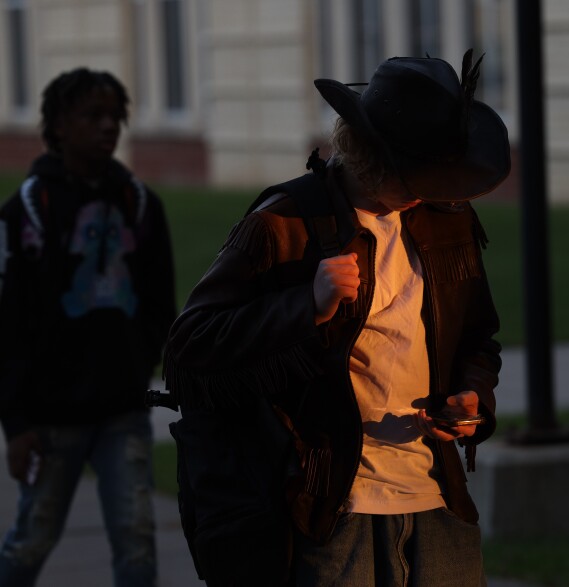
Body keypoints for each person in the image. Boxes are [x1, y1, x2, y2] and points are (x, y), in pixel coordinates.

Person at [163, 50, 509, 586]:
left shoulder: (446, 220)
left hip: (436, 496)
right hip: (328, 505)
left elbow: (477, 339)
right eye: (419, 175)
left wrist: (471, 400)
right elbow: (189, 347)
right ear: (374, 156)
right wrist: (305, 307)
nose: (430, 192)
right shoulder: (284, 222)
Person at [0, 68, 176, 586]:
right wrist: (16, 425)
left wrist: (140, 362)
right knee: (31, 541)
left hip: (122, 411)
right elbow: (7, 326)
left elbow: (160, 305)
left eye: (114, 117)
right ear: (57, 126)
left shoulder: (141, 205)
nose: (108, 127)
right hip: (50, 418)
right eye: (91, 116)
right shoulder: (27, 212)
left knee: (137, 540)